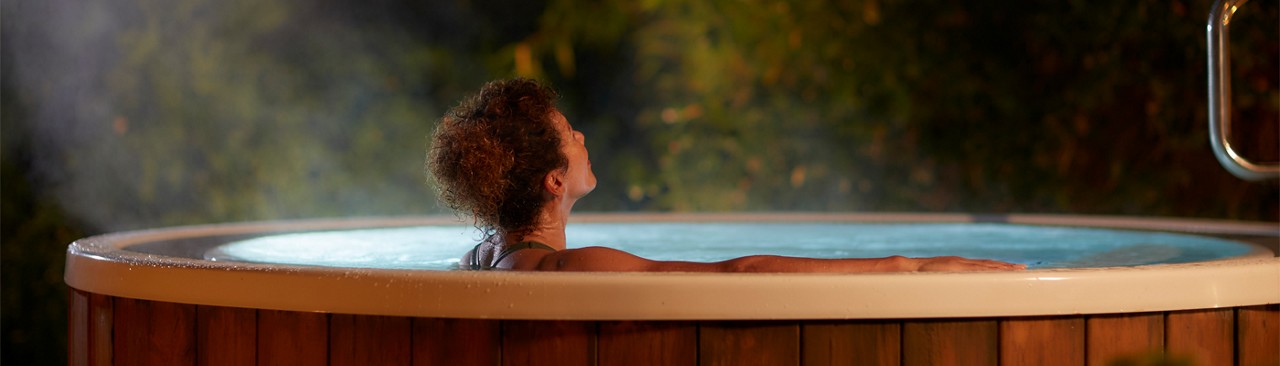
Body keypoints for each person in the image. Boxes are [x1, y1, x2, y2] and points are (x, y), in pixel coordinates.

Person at [427, 78, 1025, 272]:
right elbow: (737, 273)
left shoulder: (485, 258)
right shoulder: (573, 267)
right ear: (553, 180)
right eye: (569, 136)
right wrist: (907, 267)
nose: (582, 138)